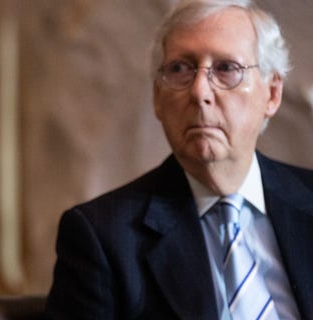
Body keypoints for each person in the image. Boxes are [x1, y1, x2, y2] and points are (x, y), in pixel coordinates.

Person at [46, 0, 313, 319]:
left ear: (271, 94)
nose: (200, 90)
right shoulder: (104, 238)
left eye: (227, 68)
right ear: (158, 98)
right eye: (180, 69)